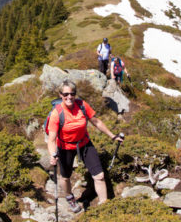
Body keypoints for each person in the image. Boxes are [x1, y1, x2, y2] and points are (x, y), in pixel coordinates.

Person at [47, 80, 124, 212]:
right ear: (60, 95)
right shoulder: (57, 113)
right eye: (66, 94)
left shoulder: (82, 105)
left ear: (75, 94)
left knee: (99, 176)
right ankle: (70, 197)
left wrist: (112, 136)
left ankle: (104, 205)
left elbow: (96, 122)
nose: (69, 97)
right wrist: (53, 154)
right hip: (65, 147)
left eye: (72, 93)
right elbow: (51, 139)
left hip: (84, 143)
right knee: (65, 177)